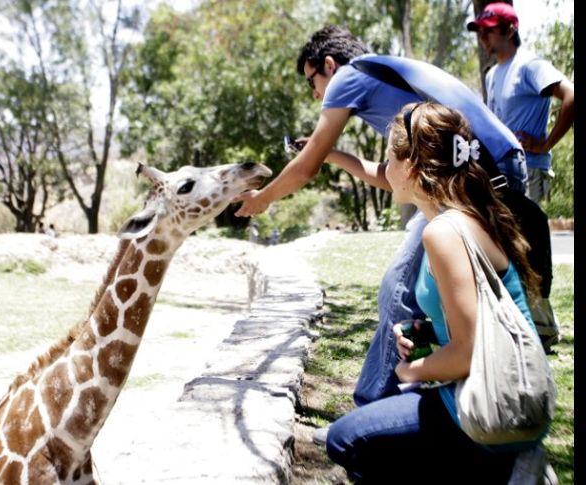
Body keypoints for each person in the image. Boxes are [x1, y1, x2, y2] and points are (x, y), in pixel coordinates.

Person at [235, 25, 553, 409]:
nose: (315, 93)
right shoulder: (383, 74)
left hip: (476, 175)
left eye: (311, 81)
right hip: (497, 168)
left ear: (329, 65)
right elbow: (391, 177)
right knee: (423, 293)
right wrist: (329, 153)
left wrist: (262, 199)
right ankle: (421, 404)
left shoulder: (348, 77)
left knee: (399, 289)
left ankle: (377, 407)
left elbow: (304, 170)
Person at [324, 101, 548, 483]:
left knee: (345, 439)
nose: (385, 171)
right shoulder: (471, 214)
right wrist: (426, 336)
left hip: (486, 404)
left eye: (388, 161)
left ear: (411, 168)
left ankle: (500, 470)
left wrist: (410, 368)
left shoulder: (443, 232)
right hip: (506, 394)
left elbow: (467, 353)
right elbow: (475, 322)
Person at [468, 2, 573, 350]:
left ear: (510, 29)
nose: (484, 37)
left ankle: (543, 329)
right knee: (507, 249)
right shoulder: (491, 74)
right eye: (480, 31)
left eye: (489, 29)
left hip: (529, 170)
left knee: (528, 249)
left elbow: (570, 95)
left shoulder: (530, 66)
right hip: (501, 173)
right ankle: (519, 324)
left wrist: (545, 144)